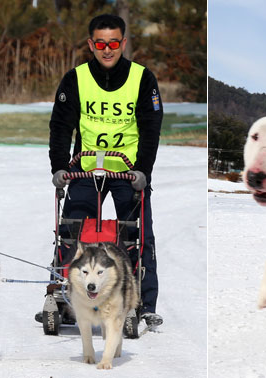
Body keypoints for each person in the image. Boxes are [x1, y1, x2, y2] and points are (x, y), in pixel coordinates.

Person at [47, 14, 163, 327]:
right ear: (91, 44)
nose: (107, 50)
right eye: (101, 44)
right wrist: (59, 167)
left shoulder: (142, 78)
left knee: (137, 237)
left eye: (113, 43)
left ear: (123, 43)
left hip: (127, 173)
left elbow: (151, 129)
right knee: (70, 233)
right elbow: (60, 127)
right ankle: (60, 293)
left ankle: (143, 300)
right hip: (84, 171)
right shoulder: (76, 79)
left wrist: (143, 171)